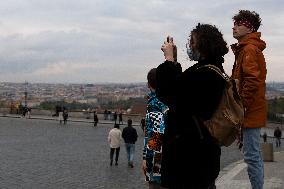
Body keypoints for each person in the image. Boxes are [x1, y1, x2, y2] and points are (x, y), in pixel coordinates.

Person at [156, 23, 228, 188]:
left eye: (192, 41)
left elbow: (172, 93)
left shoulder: (206, 74)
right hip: (200, 154)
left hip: (190, 156)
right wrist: (173, 61)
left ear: (203, 45)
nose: (189, 45)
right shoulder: (211, 70)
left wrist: (169, 61)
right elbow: (183, 88)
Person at [231, 10, 267, 189]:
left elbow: (252, 81)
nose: (234, 27)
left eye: (239, 23)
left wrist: (241, 106)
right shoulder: (245, 49)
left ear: (250, 27)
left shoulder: (249, 49)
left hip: (250, 112)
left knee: (252, 157)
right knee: (253, 156)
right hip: (250, 111)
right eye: (234, 23)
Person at [143, 68, 168, 189]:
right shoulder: (168, 99)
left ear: (149, 84)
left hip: (158, 162)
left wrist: (148, 161)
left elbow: (157, 135)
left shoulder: (154, 103)